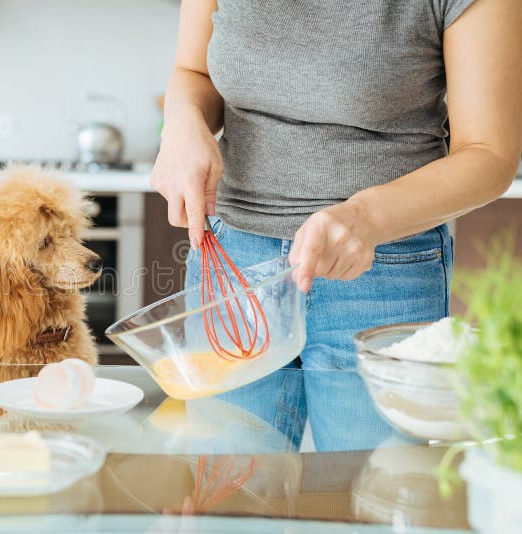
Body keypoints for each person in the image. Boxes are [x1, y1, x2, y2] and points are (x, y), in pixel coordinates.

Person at [151, 0, 522, 450]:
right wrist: (182, 121)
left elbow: (490, 154)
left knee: (370, 501)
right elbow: (195, 73)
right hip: (232, 263)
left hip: (383, 268)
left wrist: (365, 217)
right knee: (228, 500)